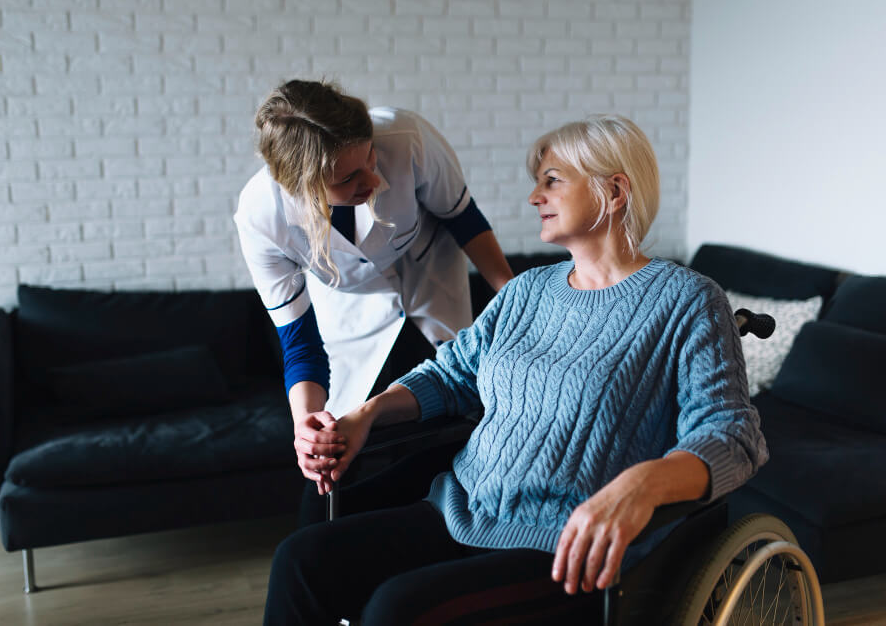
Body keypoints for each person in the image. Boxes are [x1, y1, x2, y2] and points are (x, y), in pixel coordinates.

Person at [263, 115, 769, 625]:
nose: (534, 197)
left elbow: (732, 433)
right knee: (301, 562)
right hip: (461, 508)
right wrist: (366, 414)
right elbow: (452, 374)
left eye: (552, 180)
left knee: (394, 611)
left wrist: (642, 484)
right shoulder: (527, 291)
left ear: (614, 191)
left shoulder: (689, 301)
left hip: (563, 547)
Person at [234, 80, 514, 516]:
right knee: (342, 461)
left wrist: (516, 301)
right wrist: (304, 426)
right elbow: (300, 343)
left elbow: (464, 220)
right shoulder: (262, 218)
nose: (376, 179)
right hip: (352, 316)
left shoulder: (406, 138)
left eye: (370, 157)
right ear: (303, 187)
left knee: (452, 425)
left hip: (431, 283)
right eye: (349, 178)